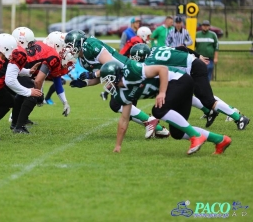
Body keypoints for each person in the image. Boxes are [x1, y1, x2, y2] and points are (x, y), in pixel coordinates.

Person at [99, 59, 231, 155]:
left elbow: (162, 69)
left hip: (179, 80)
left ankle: (196, 136)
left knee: (158, 110)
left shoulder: (132, 71)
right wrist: (118, 145)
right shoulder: (123, 93)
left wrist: (162, 93)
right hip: (177, 88)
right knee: (178, 132)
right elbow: (124, 119)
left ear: (116, 75)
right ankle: (220, 140)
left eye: (108, 80)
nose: (108, 85)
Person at [64, 30, 169, 139]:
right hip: (120, 76)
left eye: (70, 45)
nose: (69, 49)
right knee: (123, 108)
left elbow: (110, 64)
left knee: (118, 104)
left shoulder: (90, 46)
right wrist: (85, 83)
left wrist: (93, 74)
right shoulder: (82, 60)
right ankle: (159, 130)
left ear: (79, 42)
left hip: (128, 70)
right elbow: (103, 75)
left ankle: (151, 122)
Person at [130, 44, 250, 130]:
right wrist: (197, 56)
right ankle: (209, 112)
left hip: (194, 68)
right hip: (192, 67)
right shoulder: (156, 48)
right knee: (186, 95)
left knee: (208, 100)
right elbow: (182, 47)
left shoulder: (150, 61)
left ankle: (238, 117)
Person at [9, 27, 71, 133]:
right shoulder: (52, 56)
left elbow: (56, 79)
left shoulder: (45, 50)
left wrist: (65, 102)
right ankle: (18, 125)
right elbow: (38, 81)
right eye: (64, 47)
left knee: (25, 93)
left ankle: (16, 122)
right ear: (57, 45)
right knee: (33, 94)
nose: (66, 50)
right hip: (15, 71)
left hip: (19, 70)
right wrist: (39, 95)